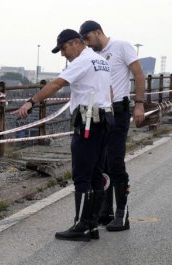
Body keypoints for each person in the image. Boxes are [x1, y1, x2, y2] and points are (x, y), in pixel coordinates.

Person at [14, 29, 113, 241]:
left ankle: (82, 225)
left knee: (82, 175)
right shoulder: (100, 60)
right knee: (96, 174)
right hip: (103, 121)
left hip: (88, 122)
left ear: (76, 43)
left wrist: (32, 101)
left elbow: (57, 84)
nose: (63, 54)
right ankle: (92, 225)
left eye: (64, 48)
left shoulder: (82, 61)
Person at [79, 20, 146, 232]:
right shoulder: (92, 55)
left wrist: (140, 104)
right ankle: (105, 211)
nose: (88, 44)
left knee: (116, 162)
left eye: (89, 39)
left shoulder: (121, 46)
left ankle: (122, 214)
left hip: (119, 111)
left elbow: (138, 74)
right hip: (102, 112)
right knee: (102, 163)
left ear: (98, 32)